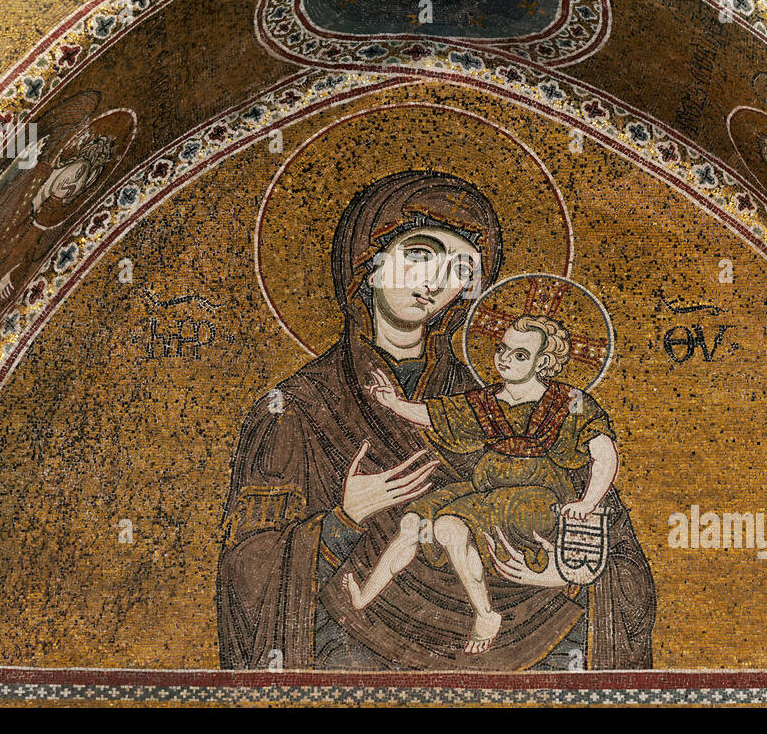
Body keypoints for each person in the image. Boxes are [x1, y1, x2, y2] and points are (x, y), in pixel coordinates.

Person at [216, 170, 656, 669]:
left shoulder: (504, 399)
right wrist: (344, 520)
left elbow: (616, 557)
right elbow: (247, 576)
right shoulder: (297, 407)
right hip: (358, 648)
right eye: (419, 256)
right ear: (368, 257)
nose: (434, 283)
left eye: (461, 272)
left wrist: (562, 571)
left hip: (534, 630)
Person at [346, 314, 619, 654]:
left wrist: (587, 503)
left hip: (536, 496)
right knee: (411, 522)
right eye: (503, 349)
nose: (505, 358)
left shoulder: (568, 402)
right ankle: (364, 597)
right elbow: (436, 416)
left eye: (519, 355)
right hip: (485, 490)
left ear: (543, 362)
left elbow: (604, 452)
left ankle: (486, 614)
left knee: (448, 526)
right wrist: (394, 403)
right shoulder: (486, 401)